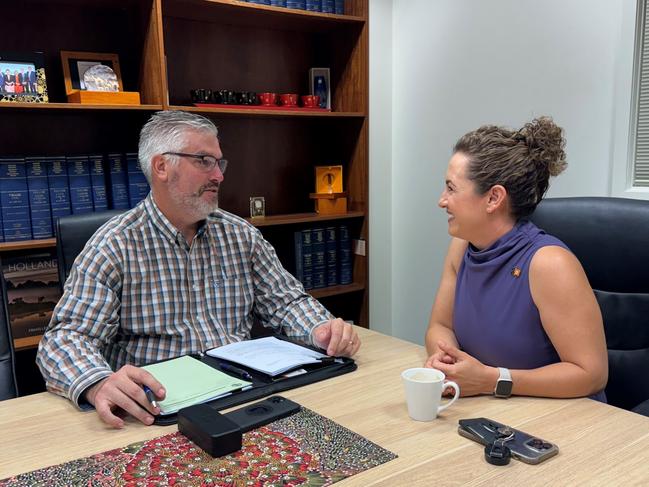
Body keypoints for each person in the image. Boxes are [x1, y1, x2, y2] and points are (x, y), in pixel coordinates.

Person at [37, 110, 361, 428]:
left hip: (247, 399)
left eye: (219, 163)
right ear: (162, 166)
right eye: (204, 161)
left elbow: (287, 302)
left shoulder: (240, 235)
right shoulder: (114, 245)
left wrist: (320, 328)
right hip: (161, 414)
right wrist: (98, 383)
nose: (219, 175)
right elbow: (64, 339)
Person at [424, 117, 608, 401]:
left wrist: (493, 380)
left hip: (563, 423)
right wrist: (445, 359)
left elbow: (592, 374)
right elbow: (440, 326)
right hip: (492, 412)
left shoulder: (549, 264)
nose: (442, 200)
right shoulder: (461, 246)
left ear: (493, 198)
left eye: (451, 188)